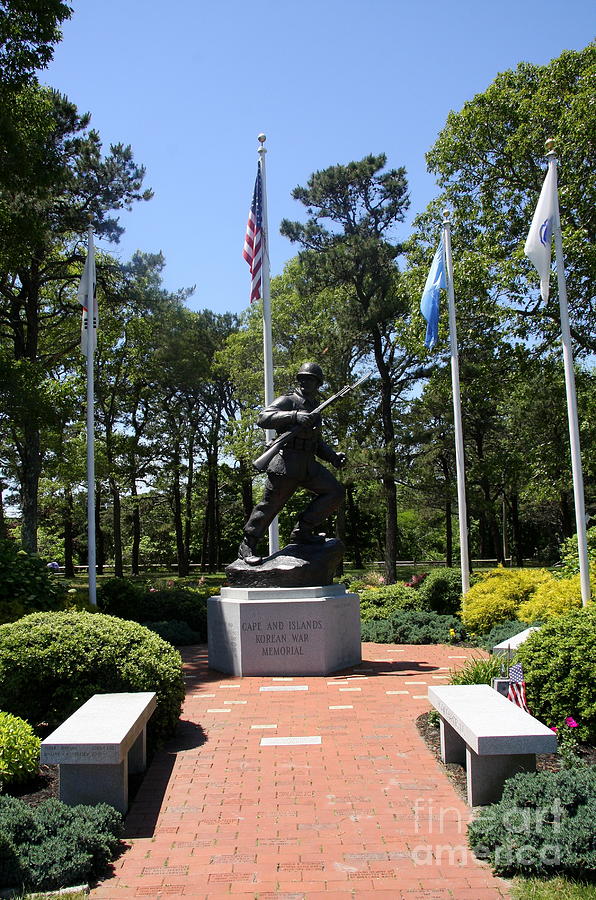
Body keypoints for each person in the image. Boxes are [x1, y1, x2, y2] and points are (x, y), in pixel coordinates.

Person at [239, 362, 346, 565]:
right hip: (286, 463)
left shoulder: (316, 408)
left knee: (335, 492)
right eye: (302, 378)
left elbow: (316, 442)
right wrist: (294, 416)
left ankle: (302, 532)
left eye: (310, 379)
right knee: (271, 506)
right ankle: (248, 544)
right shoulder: (288, 400)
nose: (305, 382)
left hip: (307, 463)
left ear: (318, 384)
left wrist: (333, 456)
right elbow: (263, 417)